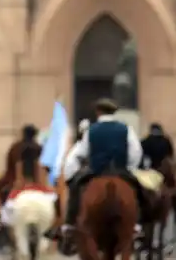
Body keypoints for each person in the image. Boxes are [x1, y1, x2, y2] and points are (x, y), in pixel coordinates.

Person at [58, 99, 143, 245]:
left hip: (96, 171)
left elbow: (80, 153)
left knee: (76, 190)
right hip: (120, 170)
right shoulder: (126, 129)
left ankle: (70, 224)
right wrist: (129, 168)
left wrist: (71, 174)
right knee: (139, 191)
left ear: (98, 112)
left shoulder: (91, 130)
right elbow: (136, 151)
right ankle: (137, 223)